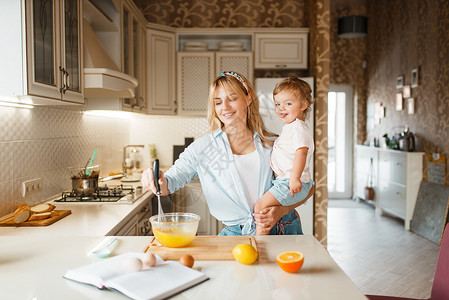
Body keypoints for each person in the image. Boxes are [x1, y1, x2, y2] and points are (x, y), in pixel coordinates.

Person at [141, 71, 301, 236]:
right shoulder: (202, 148)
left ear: (248, 98)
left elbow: (307, 186)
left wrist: (282, 210)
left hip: (283, 227)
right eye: (218, 102)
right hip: (236, 233)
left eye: (232, 99)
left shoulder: (273, 143)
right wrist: (157, 180)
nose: (225, 107)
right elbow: (171, 181)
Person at [254, 76, 315, 235]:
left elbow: (301, 153)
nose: (281, 108)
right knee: (265, 209)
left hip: (289, 181)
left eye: (288, 103)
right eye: (277, 104)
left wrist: (294, 178)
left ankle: (260, 244)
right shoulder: (290, 128)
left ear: (304, 105)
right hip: (285, 181)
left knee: (260, 208)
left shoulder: (298, 129)